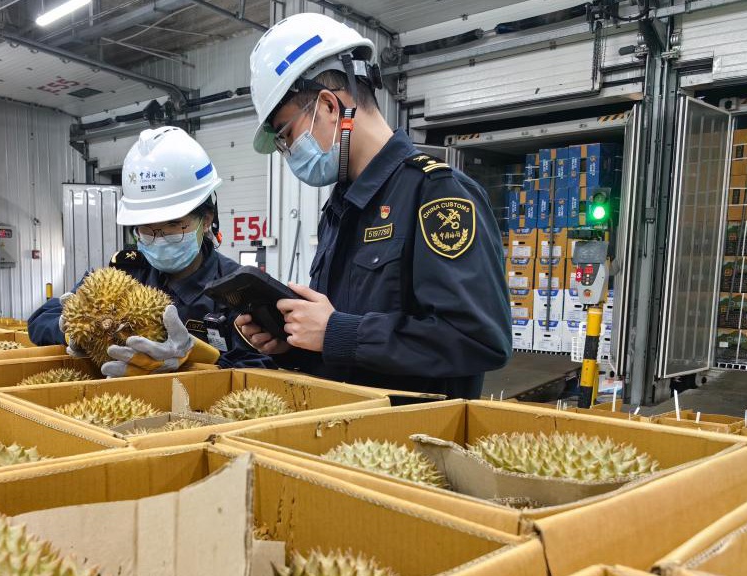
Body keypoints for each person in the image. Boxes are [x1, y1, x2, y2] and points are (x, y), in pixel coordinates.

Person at [234, 13, 512, 399]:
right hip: (346, 438)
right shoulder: (338, 211)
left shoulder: (436, 195)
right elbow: (348, 353)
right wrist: (294, 346)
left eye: (287, 135)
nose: (287, 153)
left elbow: (477, 340)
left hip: (413, 447)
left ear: (330, 106)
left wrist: (337, 332)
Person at [28, 126, 275, 376]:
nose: (159, 239)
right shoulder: (124, 274)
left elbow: (264, 366)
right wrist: (72, 330)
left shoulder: (239, 289)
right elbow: (40, 319)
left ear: (207, 219)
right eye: (147, 229)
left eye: (173, 225)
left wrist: (196, 359)